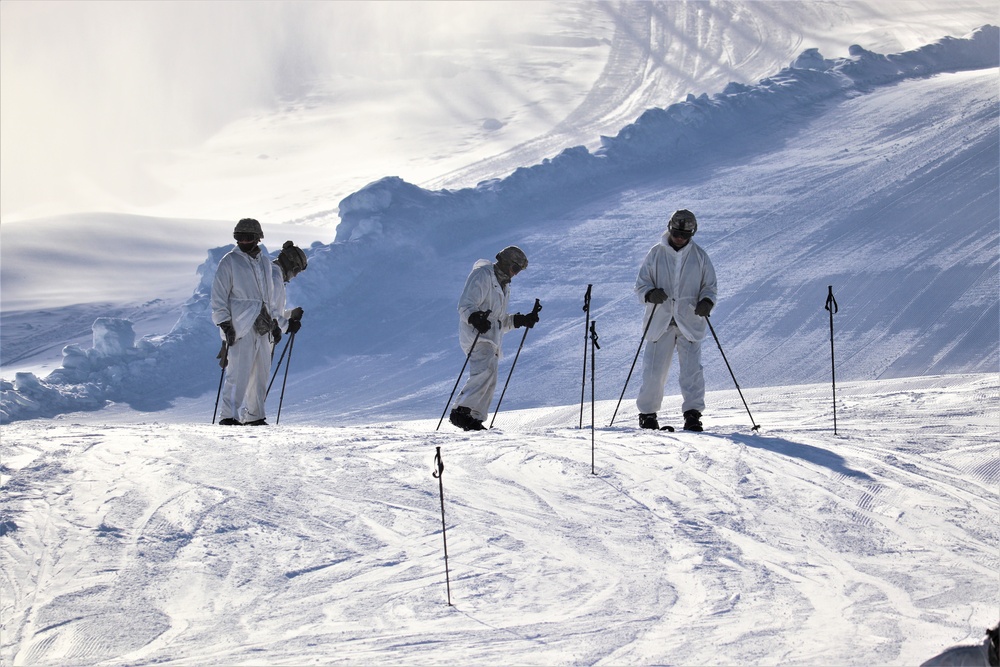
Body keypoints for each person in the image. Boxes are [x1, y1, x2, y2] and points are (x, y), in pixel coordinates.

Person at [634, 209, 717, 431]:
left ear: (692, 234)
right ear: (670, 229)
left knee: (691, 371)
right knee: (653, 370)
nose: (680, 238)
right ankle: (648, 415)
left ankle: (692, 414)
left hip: (689, 321)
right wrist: (650, 294)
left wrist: (707, 302)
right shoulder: (655, 254)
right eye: (677, 233)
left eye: (685, 235)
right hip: (659, 320)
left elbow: (710, 286)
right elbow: (641, 283)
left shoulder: (700, 256)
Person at [211, 219, 294, 426]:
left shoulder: (265, 262)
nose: (244, 241)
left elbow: (269, 297)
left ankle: (255, 416)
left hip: (264, 325)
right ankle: (229, 416)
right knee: (238, 372)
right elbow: (218, 297)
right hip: (241, 325)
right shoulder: (229, 262)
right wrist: (225, 323)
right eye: (240, 237)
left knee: (261, 372)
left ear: (258, 238)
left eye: (249, 237)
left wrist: (275, 323)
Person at [449, 246, 539, 431]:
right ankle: (461, 412)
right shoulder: (483, 275)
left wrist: (522, 320)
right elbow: (465, 304)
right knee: (485, 370)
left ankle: (474, 417)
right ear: (507, 263)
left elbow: (500, 321)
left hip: (491, 338)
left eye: (519, 271)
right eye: (515, 269)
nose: (516, 274)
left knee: (491, 375)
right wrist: (475, 318)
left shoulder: (504, 285)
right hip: (476, 335)